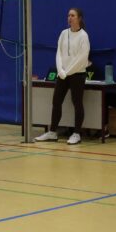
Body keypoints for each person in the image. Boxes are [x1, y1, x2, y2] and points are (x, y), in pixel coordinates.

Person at [34, 8, 90, 145]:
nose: (69, 17)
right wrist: (60, 70)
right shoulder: (64, 33)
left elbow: (82, 58)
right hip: (63, 75)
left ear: (79, 18)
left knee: (77, 103)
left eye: (73, 15)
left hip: (77, 74)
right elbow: (59, 53)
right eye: (68, 15)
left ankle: (76, 134)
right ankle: (52, 132)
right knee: (56, 101)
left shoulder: (83, 36)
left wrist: (68, 71)